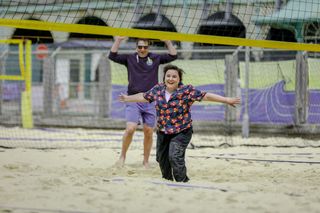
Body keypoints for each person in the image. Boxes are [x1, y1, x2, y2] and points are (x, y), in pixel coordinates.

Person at [119, 64, 240, 182]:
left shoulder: (186, 91)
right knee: (162, 160)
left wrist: (226, 100)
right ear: (164, 78)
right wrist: (127, 98)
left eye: (174, 76)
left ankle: (182, 182)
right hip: (163, 132)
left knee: (175, 156)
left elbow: (206, 96)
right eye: (168, 76)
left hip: (182, 131)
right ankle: (168, 181)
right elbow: (144, 96)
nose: (170, 79)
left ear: (179, 79)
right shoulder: (158, 89)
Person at [109, 36, 177, 168]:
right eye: (140, 47)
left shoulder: (155, 58)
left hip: (150, 100)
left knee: (148, 131)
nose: (142, 49)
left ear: (148, 48)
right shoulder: (130, 58)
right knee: (130, 129)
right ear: (136, 47)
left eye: (145, 47)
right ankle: (122, 157)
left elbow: (173, 55)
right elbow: (112, 55)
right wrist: (118, 40)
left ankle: (145, 162)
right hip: (133, 99)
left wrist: (167, 41)